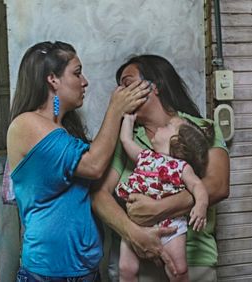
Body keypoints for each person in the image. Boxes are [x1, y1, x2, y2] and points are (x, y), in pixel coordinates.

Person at [6, 41, 152, 281]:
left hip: (86, 271)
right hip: (49, 274)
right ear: (53, 79)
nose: (85, 81)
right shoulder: (26, 124)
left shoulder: (62, 130)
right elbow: (94, 165)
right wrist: (115, 110)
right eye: (77, 73)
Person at [91, 54, 230, 282]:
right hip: (137, 260)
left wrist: (159, 208)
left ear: (154, 87)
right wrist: (135, 233)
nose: (120, 93)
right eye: (118, 88)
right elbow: (99, 196)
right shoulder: (124, 140)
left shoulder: (199, 129)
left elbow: (217, 185)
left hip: (191, 260)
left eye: (127, 83)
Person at [115, 113, 215, 282]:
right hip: (138, 225)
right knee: (126, 268)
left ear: (177, 142)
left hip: (171, 226)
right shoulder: (145, 156)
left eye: (167, 127)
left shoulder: (181, 167)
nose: (160, 127)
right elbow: (126, 140)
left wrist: (201, 206)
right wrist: (129, 120)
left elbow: (198, 186)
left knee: (179, 270)